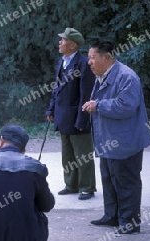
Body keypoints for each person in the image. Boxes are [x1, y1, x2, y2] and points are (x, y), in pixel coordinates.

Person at [82, 40, 150, 234]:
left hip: (126, 141)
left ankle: (129, 223)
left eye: (92, 58)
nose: (89, 62)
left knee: (126, 181)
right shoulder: (102, 75)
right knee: (109, 179)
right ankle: (112, 216)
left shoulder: (127, 77)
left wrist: (98, 105)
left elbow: (126, 106)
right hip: (108, 140)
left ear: (106, 57)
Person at [46, 27, 97, 200]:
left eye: (63, 40)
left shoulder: (84, 64)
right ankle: (71, 185)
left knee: (83, 155)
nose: (60, 42)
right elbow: (56, 89)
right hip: (63, 116)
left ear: (73, 45)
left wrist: (82, 120)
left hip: (77, 117)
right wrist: (51, 109)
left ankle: (87, 187)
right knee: (67, 155)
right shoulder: (62, 62)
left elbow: (86, 94)